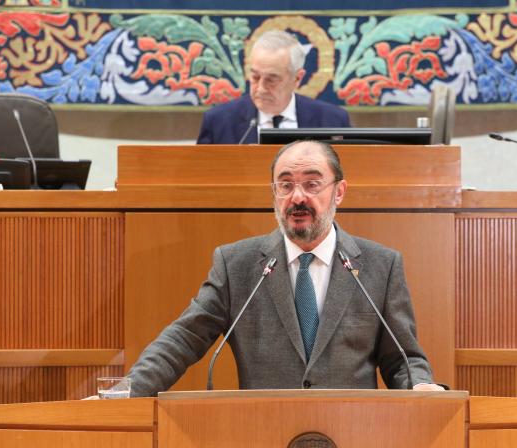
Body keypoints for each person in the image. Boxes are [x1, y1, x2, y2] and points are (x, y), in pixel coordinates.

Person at [126, 140, 444, 396]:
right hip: (262, 440)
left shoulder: (380, 266)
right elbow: (183, 338)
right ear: (273, 193)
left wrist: (419, 385)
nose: (298, 197)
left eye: (312, 184)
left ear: (339, 192)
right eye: (286, 185)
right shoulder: (237, 265)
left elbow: (402, 358)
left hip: (355, 439)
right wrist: (126, 392)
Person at [196, 30, 351, 144]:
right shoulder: (219, 122)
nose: (261, 88)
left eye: (272, 79)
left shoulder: (332, 121)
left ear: (297, 78)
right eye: (255, 77)